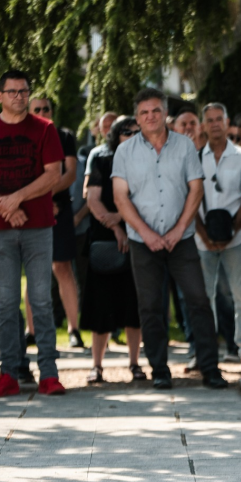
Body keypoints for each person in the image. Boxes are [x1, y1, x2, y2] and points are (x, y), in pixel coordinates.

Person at [112, 88, 228, 390]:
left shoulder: (185, 147)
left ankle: (210, 368)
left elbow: (196, 189)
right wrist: (147, 234)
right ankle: (160, 369)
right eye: (144, 112)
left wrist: (178, 230)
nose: (150, 117)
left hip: (182, 240)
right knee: (150, 306)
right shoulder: (124, 152)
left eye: (156, 111)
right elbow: (121, 198)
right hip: (142, 242)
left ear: (165, 114)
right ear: (137, 117)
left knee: (199, 302)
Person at [0, 70, 66, 397]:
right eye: (12, 92)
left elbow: (54, 175)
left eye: (24, 91)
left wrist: (15, 199)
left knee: (40, 301)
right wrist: (3, 205)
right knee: (7, 303)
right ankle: (8, 373)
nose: (19, 97)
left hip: (38, 227)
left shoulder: (45, 129)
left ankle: (48, 374)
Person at [195, 103, 241, 372]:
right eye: (209, 120)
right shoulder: (195, 158)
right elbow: (191, 199)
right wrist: (204, 234)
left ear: (227, 122)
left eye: (218, 119)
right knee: (203, 299)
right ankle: (206, 352)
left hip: (238, 237)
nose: (214, 124)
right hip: (202, 240)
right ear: (203, 125)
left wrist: (233, 231)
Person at [81, 117, 145, 383]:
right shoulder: (102, 159)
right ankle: (96, 366)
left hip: (140, 235)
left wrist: (124, 219)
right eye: (125, 132)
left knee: (134, 306)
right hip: (105, 239)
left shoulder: (148, 161)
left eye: (136, 132)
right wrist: (116, 226)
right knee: (101, 306)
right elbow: (92, 199)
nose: (131, 136)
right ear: (115, 135)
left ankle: (135, 363)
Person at [29, 97, 86, 349]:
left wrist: (46, 196)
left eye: (46, 109)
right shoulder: (22, 136)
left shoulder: (64, 136)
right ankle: (31, 331)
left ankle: (74, 329)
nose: (42, 112)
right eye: (37, 109)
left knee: (63, 268)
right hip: (29, 209)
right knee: (32, 271)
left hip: (58, 209)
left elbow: (70, 173)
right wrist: (38, 200)